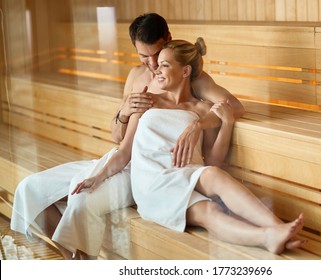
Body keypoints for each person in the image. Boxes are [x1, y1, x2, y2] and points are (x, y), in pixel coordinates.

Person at [10, 13, 244, 259]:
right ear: (135, 50)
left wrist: (198, 124)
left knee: (79, 200)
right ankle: (76, 262)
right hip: (120, 157)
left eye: (157, 54)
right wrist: (124, 112)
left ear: (168, 40)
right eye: (145, 56)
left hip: (148, 170)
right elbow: (117, 136)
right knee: (29, 188)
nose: (153, 64)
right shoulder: (136, 77)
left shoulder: (190, 77)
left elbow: (234, 106)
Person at [75, 38, 305, 255]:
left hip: (186, 173)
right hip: (152, 181)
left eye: (165, 65)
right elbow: (124, 151)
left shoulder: (203, 109)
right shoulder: (146, 101)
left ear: (185, 71)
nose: (156, 70)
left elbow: (213, 162)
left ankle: (276, 230)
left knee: (212, 185)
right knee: (209, 210)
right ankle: (269, 235)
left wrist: (226, 124)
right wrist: (99, 175)